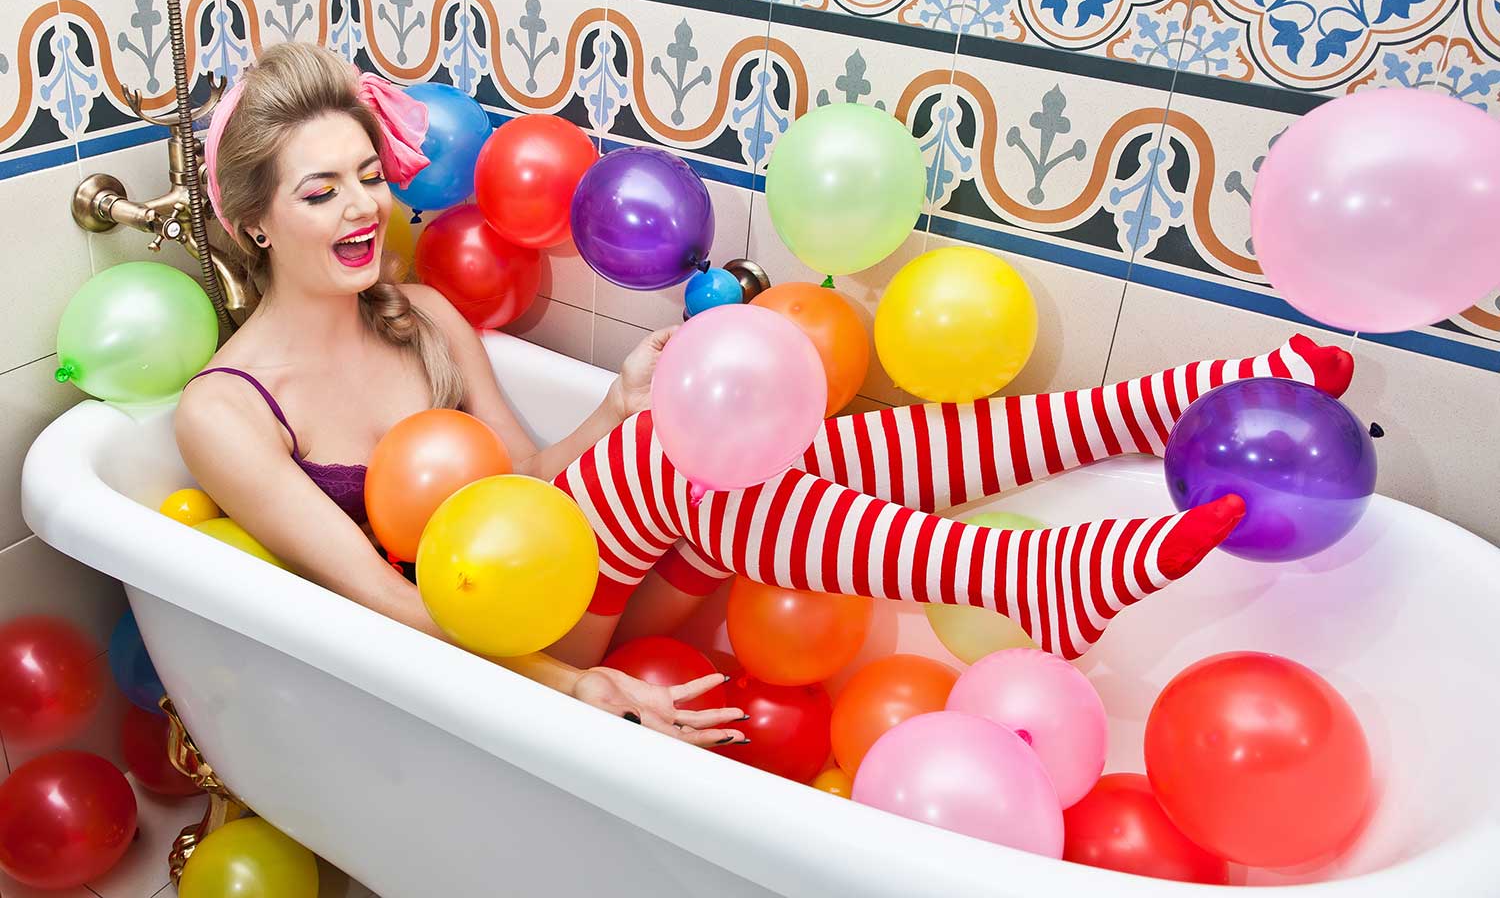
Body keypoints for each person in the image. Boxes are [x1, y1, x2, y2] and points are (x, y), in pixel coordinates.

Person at [177, 42, 1355, 747]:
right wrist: (574, 686)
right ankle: (1024, 575)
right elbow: (377, 613)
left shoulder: (422, 313)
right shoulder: (227, 414)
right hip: (479, 659)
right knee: (679, 463)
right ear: (252, 219)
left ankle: (1156, 411)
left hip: (579, 586)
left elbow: (537, 481)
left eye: (367, 181)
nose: (358, 212)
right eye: (317, 192)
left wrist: (624, 398)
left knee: (758, 434)